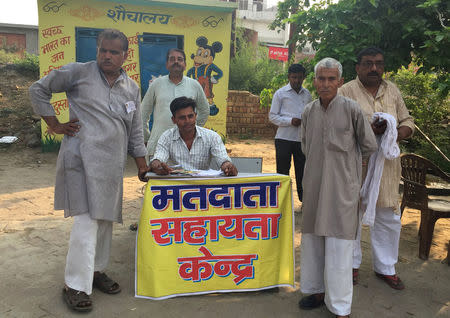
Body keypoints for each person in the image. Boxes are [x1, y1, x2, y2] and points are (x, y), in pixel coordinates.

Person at [29, 29, 149, 312]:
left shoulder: (131, 88)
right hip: (80, 160)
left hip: (111, 166)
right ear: (97, 50)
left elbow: (135, 132)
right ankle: (75, 285)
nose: (107, 56)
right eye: (102, 50)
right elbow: (38, 89)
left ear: (125, 55)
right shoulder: (78, 73)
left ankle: (95, 271)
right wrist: (54, 124)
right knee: (86, 223)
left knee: (105, 220)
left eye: (114, 52)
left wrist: (142, 165)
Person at [298, 58, 378, 318]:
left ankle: (340, 307)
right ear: (315, 81)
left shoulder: (352, 109)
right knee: (312, 242)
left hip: (343, 190)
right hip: (314, 186)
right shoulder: (309, 111)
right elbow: (305, 147)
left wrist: (357, 185)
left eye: (331, 79)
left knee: (339, 248)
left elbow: (368, 146)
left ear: (340, 82)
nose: (326, 84)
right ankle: (316, 290)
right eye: (321, 78)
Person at [339, 47, 414, 290]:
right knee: (351, 217)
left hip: (387, 167)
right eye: (368, 63)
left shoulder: (392, 90)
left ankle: (386, 267)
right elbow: (337, 127)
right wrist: (368, 132)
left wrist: (394, 133)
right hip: (355, 165)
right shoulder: (345, 92)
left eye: (379, 63)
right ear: (358, 67)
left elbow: (407, 120)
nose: (374, 68)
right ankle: (350, 265)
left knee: (389, 218)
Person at [141, 48, 210, 160]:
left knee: (185, 176)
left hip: (187, 146)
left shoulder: (194, 85)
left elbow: (205, 110)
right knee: (157, 176)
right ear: (167, 64)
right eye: (172, 59)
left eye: (180, 59)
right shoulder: (156, 84)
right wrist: (147, 138)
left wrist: (192, 129)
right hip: (158, 144)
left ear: (185, 64)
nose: (176, 62)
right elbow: (143, 113)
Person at [150, 96, 237, 176]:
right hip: (175, 186)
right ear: (174, 120)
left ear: (195, 116)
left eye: (190, 116)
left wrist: (228, 166)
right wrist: (158, 166)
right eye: (182, 117)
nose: (187, 121)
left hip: (203, 186)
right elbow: (158, 159)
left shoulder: (212, 136)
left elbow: (223, 159)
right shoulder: (166, 137)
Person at [269, 63, 312, 202]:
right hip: (284, 139)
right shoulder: (280, 94)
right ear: (289, 77)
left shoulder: (307, 95)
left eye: (300, 78)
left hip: (301, 139)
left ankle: (304, 202)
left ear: (304, 78)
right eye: (294, 77)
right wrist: (290, 121)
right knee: (282, 172)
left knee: (302, 172)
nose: (297, 81)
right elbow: (272, 116)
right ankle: (282, 202)